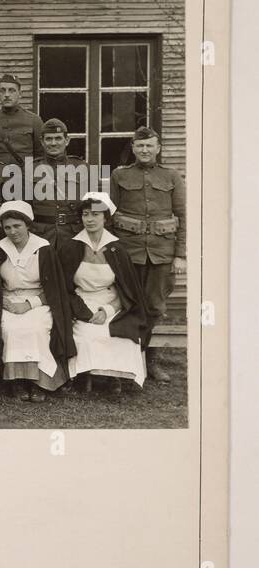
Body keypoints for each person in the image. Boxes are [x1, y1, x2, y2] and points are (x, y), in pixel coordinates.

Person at [108, 125, 186, 384]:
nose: (144, 150)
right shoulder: (120, 176)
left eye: (149, 145)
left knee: (155, 307)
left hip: (162, 253)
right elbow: (110, 215)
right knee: (128, 305)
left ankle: (148, 359)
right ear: (133, 148)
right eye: (139, 146)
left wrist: (180, 255)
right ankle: (129, 360)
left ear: (158, 148)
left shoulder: (172, 176)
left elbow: (183, 216)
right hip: (129, 253)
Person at [0, 200, 75, 402]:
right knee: (10, 329)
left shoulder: (43, 248)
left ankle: (39, 382)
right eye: (7, 227)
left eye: (17, 226)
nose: (12, 231)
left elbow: (53, 290)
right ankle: (16, 381)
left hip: (39, 301)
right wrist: (4, 302)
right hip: (8, 301)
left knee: (36, 328)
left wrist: (28, 305)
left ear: (28, 225)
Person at [58, 192, 149, 394]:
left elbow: (127, 291)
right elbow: (65, 289)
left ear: (106, 218)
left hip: (111, 302)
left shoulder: (117, 249)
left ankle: (113, 376)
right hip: (79, 303)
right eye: (85, 214)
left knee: (118, 333)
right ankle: (83, 376)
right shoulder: (71, 247)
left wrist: (106, 310)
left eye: (95, 215)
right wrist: (84, 313)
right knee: (86, 333)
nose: (89, 219)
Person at [30, 118, 88, 244]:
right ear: (42, 142)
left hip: (74, 234)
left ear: (66, 141)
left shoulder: (82, 167)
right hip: (41, 236)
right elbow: (24, 207)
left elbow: (94, 206)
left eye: (58, 138)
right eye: (49, 139)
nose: (53, 143)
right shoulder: (30, 169)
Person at [0, 73, 45, 171]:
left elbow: (41, 155)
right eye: (2, 91)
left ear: (20, 94)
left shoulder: (34, 121)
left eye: (12, 90)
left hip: (24, 177)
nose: (7, 95)